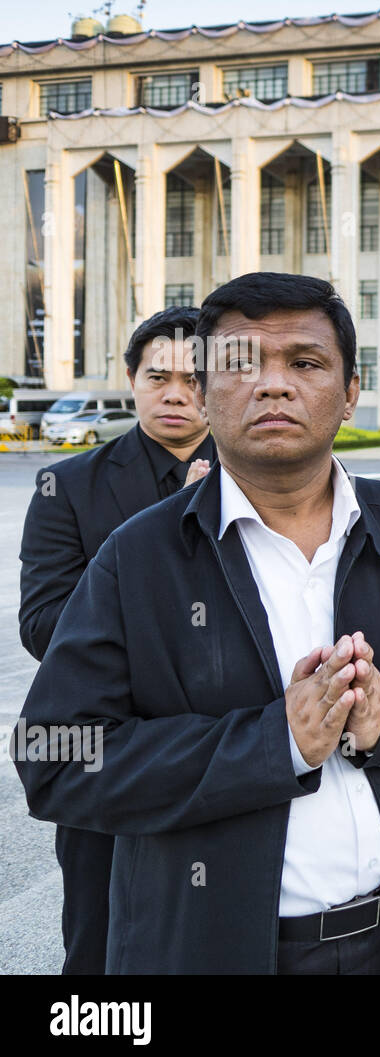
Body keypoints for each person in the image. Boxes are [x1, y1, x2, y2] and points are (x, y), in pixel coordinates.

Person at [12, 272, 380, 974]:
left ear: (349, 393)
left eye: (306, 363)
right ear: (204, 391)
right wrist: (276, 742)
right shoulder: (136, 558)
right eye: (241, 364)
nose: (274, 385)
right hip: (213, 951)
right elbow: (57, 757)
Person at [18, 305, 215, 975]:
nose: (176, 393)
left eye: (195, 378)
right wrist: (173, 524)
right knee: (102, 950)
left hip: (236, 747)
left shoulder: (268, 481)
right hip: (111, 757)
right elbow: (44, 624)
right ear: (131, 378)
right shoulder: (67, 487)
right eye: (158, 375)